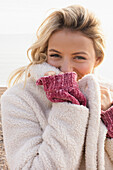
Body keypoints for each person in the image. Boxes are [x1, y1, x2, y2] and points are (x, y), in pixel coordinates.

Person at [1, 4, 113, 170]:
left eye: (79, 58)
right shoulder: (19, 99)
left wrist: (108, 119)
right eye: (55, 55)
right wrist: (67, 104)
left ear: (98, 59)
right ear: (45, 52)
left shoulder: (108, 96)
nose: (66, 69)